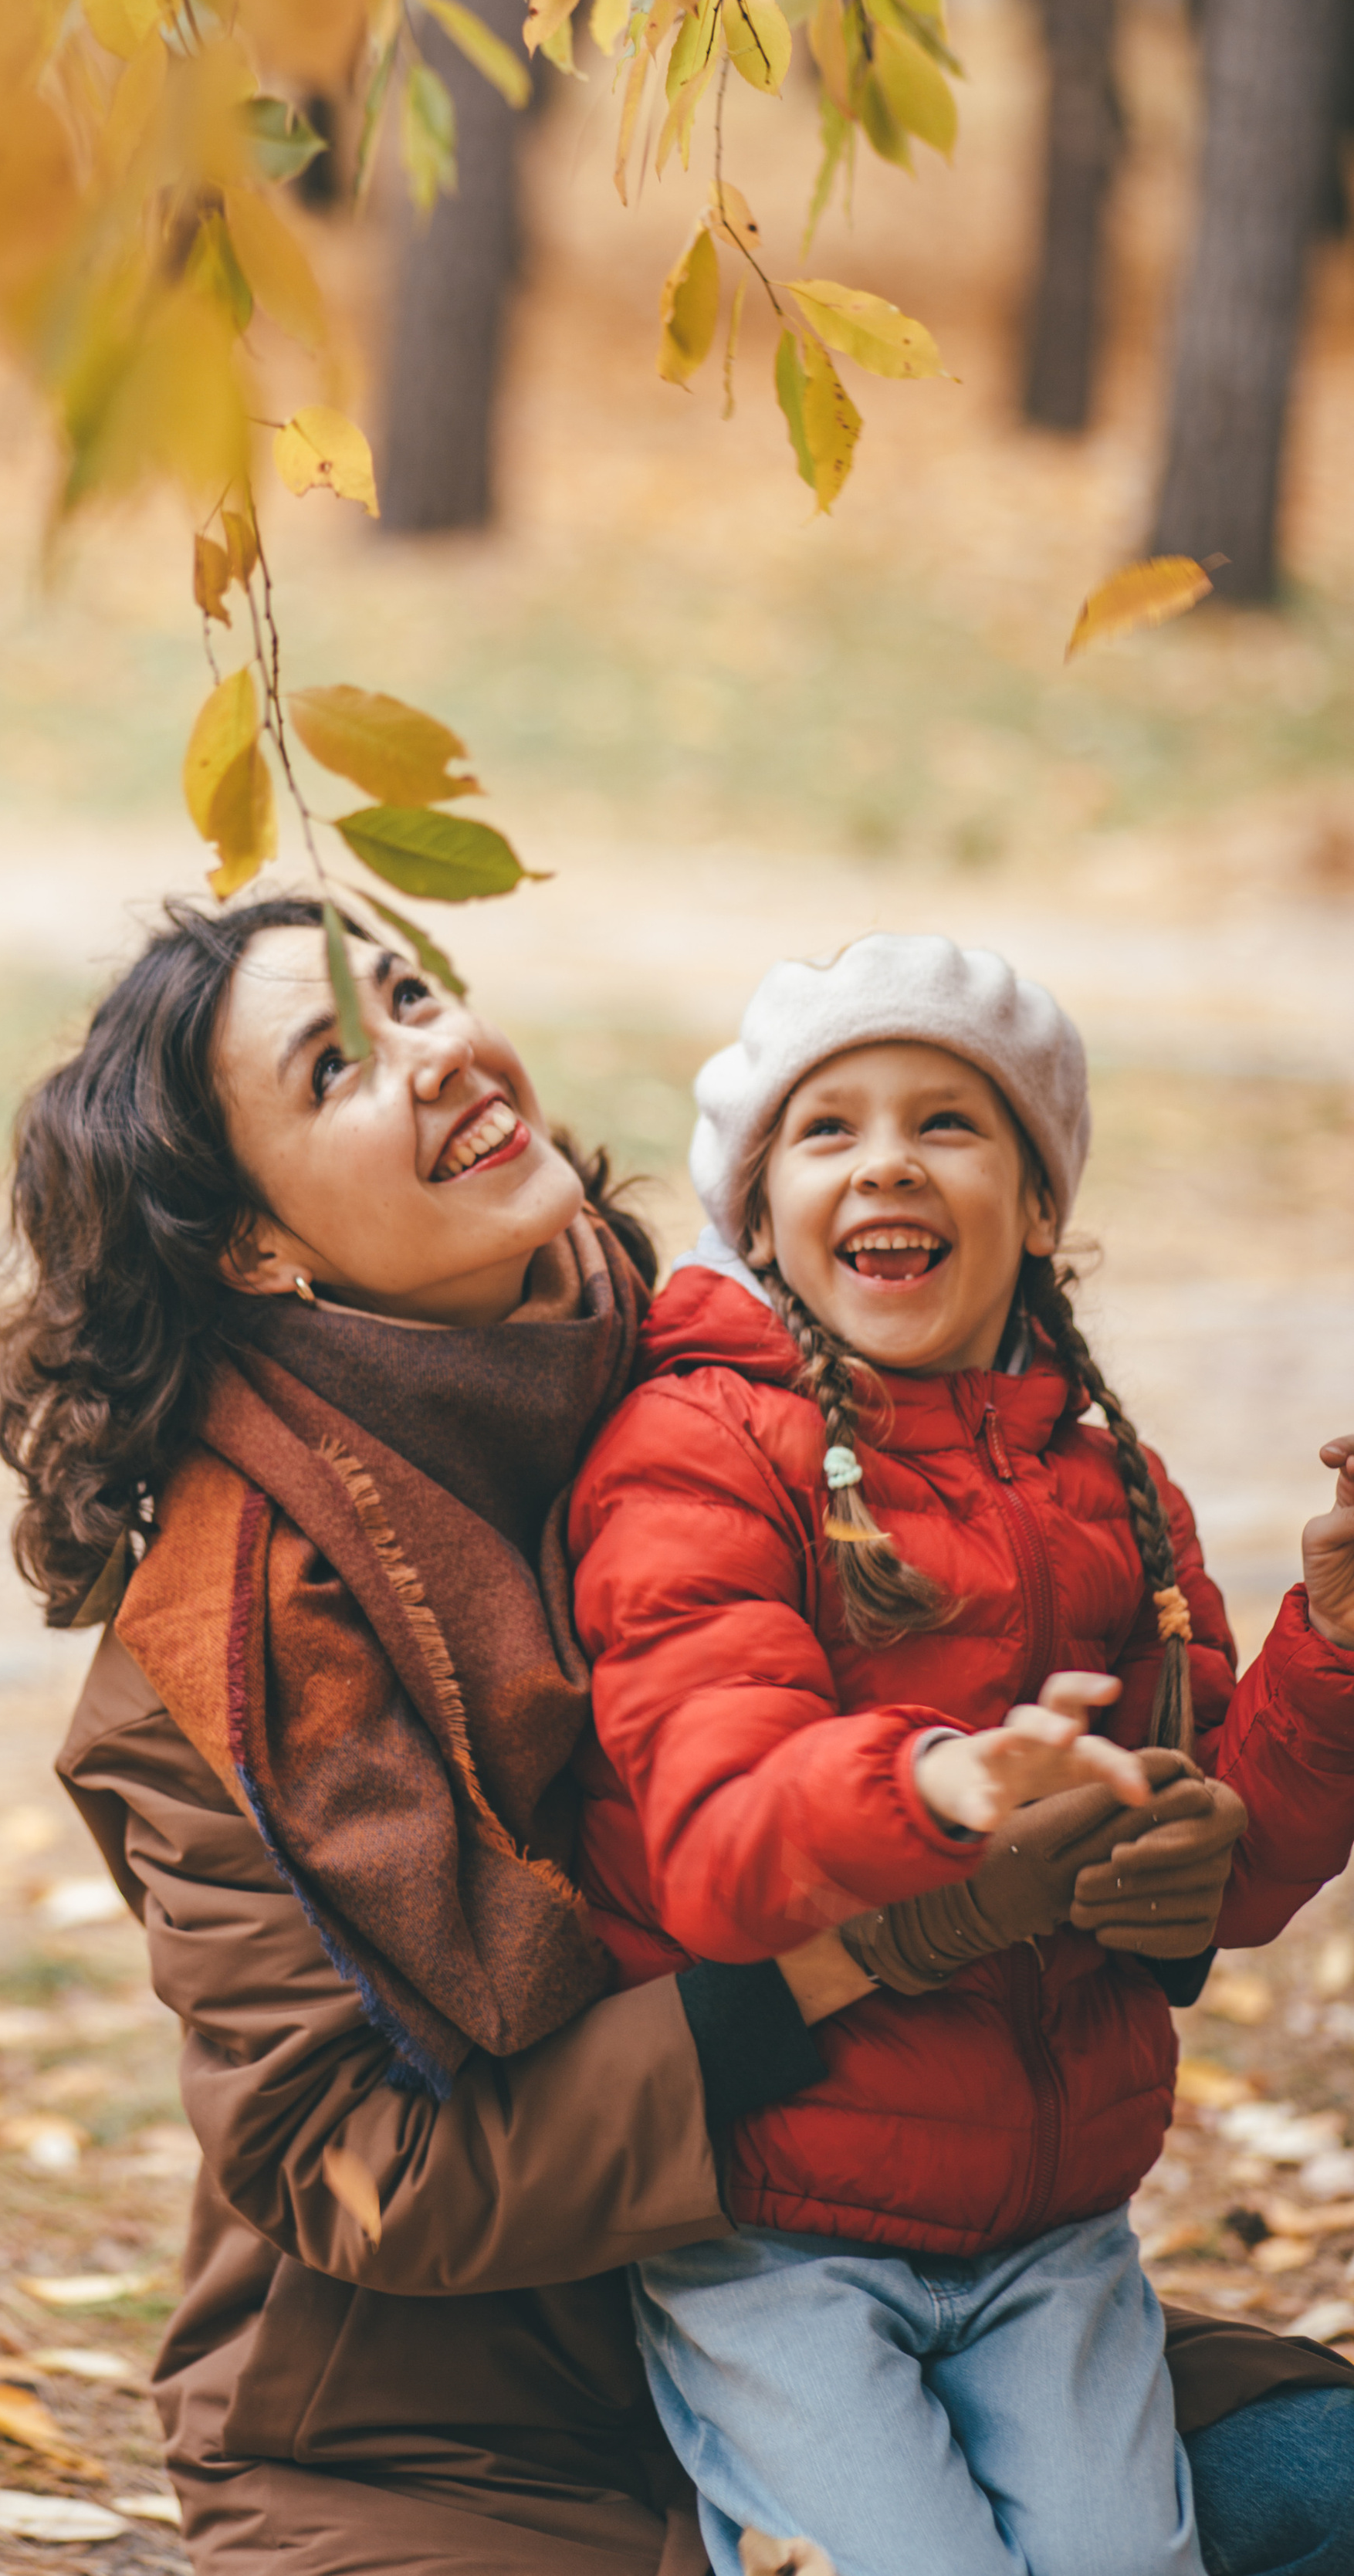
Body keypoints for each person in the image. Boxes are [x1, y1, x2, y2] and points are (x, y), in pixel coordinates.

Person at [0, 897, 1354, 2576]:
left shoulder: (767, 1360)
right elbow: (360, 2167)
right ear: (254, 1248)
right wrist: (870, 1945)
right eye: (339, 1062)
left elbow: (1092, 1717)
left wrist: (1149, 1833)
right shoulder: (223, 1663)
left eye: (409, 991)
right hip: (471, 2428)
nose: (431, 1052)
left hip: (914, 2242)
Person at [569, 934, 1354, 2576]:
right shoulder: (699, 1446)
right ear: (760, 1204)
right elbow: (713, 1831)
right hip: (776, 2236)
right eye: (826, 1127)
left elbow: (1225, 1875)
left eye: (947, 1122)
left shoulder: (1107, 1482)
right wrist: (938, 1787)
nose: (884, 1160)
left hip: (1051, 2234)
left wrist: (1330, 1651)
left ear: (1037, 1205)